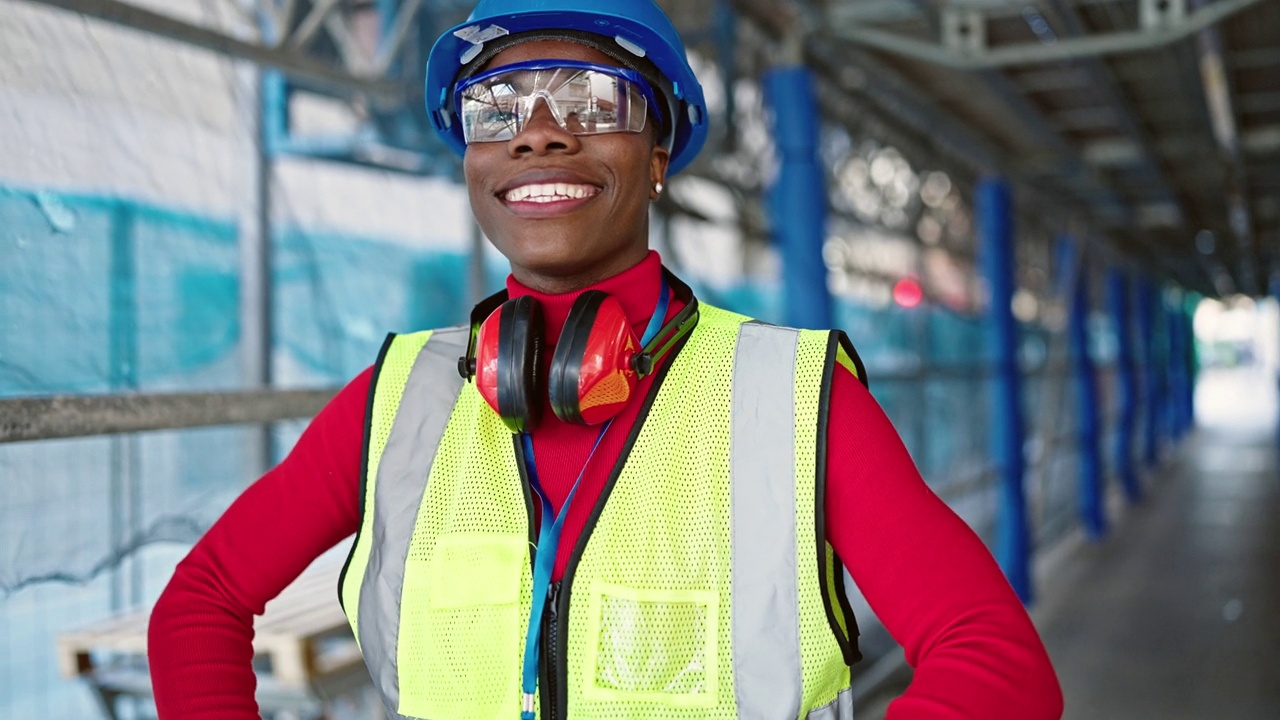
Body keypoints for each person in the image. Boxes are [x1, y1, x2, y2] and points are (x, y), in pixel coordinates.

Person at [147, 1, 1064, 718]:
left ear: (658, 150)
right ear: (470, 158)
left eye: (591, 97)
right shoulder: (400, 401)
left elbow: (996, 662)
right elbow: (201, 600)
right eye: (495, 107)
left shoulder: (792, 401)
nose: (538, 132)